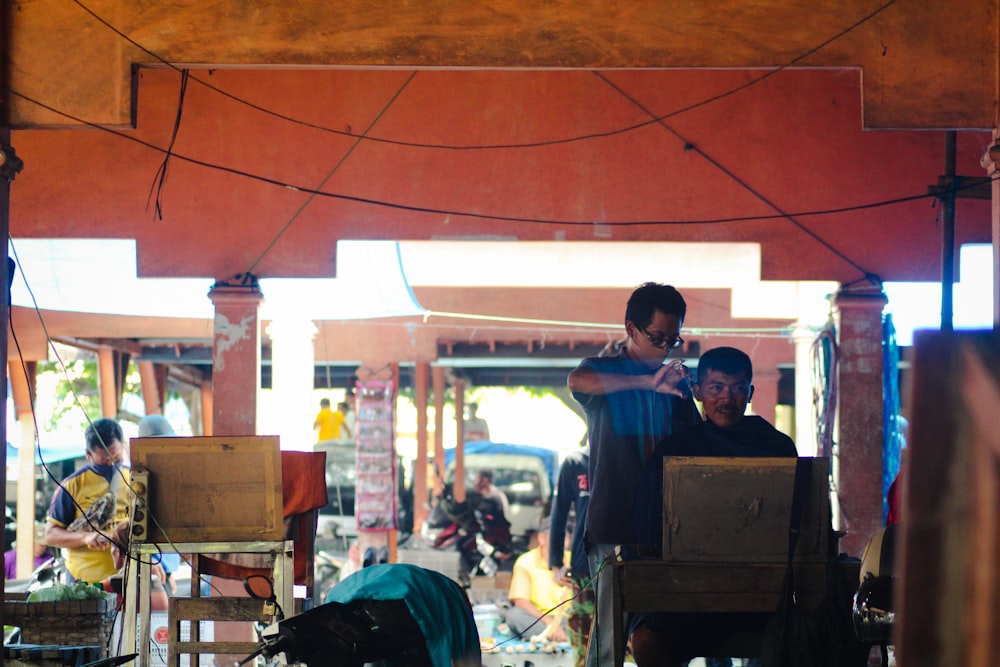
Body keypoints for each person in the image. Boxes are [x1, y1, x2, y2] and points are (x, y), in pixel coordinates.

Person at [629, 346, 798, 667]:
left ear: (750, 393)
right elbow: (648, 520)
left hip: (761, 587)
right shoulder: (677, 448)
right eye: (716, 388)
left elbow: (799, 515)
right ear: (697, 392)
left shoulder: (775, 445)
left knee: (807, 632)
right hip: (689, 588)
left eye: (737, 388)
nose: (727, 398)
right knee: (648, 641)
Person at [567, 281, 699, 667]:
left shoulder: (675, 388)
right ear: (630, 328)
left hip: (665, 531)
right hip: (614, 526)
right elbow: (576, 380)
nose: (663, 349)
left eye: (672, 341)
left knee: (663, 635)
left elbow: (692, 446)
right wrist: (647, 382)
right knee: (609, 639)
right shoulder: (601, 371)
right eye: (657, 338)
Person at [44, 418, 130, 584]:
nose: (111, 463)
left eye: (117, 457)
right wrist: (86, 538)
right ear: (88, 455)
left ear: (123, 446)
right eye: (104, 460)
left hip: (127, 579)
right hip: (84, 581)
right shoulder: (72, 485)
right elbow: (51, 535)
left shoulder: (136, 480)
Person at [549, 445, 592, 667]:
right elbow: (559, 513)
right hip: (583, 564)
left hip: (626, 560)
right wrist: (555, 562)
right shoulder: (575, 462)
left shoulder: (626, 455)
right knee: (583, 633)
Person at [506, 517, 570, 642]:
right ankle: (562, 638)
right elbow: (520, 601)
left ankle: (553, 637)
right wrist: (550, 623)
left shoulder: (573, 561)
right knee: (514, 615)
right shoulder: (525, 562)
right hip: (539, 619)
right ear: (541, 538)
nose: (561, 542)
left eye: (565, 537)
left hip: (568, 620)